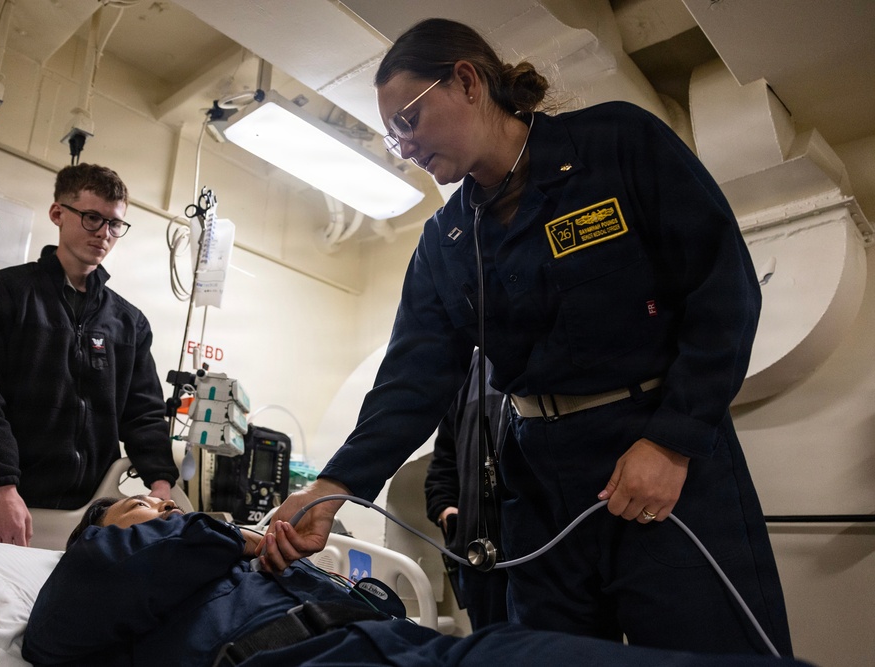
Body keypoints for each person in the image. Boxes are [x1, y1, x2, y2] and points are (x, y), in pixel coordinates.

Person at [259, 17, 794, 659]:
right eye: (392, 133)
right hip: (536, 475)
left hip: (656, 455)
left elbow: (723, 289)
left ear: (465, 81)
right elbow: (413, 380)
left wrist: (672, 441)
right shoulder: (446, 241)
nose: (402, 146)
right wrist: (334, 487)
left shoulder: (617, 144)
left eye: (407, 120)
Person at [22, 495, 812, 666]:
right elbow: (54, 638)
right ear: (98, 534)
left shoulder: (223, 558)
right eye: (140, 504)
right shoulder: (87, 577)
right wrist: (222, 532)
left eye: (165, 499)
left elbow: (378, 604)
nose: (163, 502)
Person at [0, 163, 178, 547]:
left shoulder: (129, 323)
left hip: (88, 510)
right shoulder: (3, 294)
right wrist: (0, 486)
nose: (104, 233)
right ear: (58, 213)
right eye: (91, 218)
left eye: (115, 224)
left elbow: (144, 411)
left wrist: (161, 484)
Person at [424, 349, 508, 629]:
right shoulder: (469, 369)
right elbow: (444, 459)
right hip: (481, 558)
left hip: (542, 558)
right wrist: (447, 513)